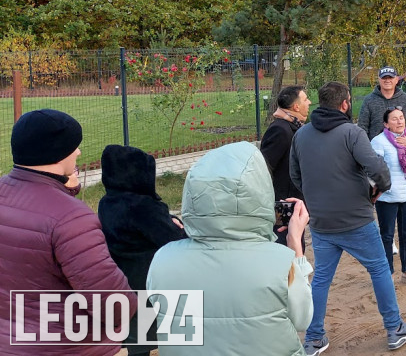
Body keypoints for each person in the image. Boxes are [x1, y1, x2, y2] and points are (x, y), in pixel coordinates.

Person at [147, 142, 313, 356]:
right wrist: (295, 246)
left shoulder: (163, 258)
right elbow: (303, 318)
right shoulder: (280, 263)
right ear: (260, 194)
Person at [291, 82, 406, 354]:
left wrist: (316, 198)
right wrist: (378, 189)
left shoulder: (301, 135)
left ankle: (313, 338)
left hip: (322, 222)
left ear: (319, 103)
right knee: (379, 269)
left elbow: (295, 175)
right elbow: (378, 168)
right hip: (356, 220)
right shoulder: (351, 133)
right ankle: (394, 329)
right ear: (345, 104)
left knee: (321, 278)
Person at [0, 109, 136, 355]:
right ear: (57, 153)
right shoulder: (72, 219)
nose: (78, 152)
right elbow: (114, 305)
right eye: (74, 146)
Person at [98, 144, 187, 356]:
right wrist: (178, 226)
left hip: (121, 275)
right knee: (149, 334)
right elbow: (173, 238)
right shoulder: (142, 206)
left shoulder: (106, 202)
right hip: (147, 278)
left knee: (135, 334)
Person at [371, 107, 406, 288]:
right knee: (387, 236)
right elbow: (374, 170)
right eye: (394, 119)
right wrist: (381, 189)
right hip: (387, 197)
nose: (399, 121)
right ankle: (387, 273)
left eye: (401, 118)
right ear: (386, 124)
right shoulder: (378, 142)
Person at [260, 84, 311, 246]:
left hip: (294, 200)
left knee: (296, 244)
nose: (309, 102)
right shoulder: (280, 130)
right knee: (287, 247)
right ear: (296, 106)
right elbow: (264, 167)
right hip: (284, 204)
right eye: (305, 99)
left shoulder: (294, 127)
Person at [358, 66, 406, 141]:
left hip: (402, 148)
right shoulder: (369, 100)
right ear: (379, 79)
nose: (387, 80)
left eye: (390, 78)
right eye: (384, 78)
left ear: (396, 79)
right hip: (376, 148)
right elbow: (363, 126)